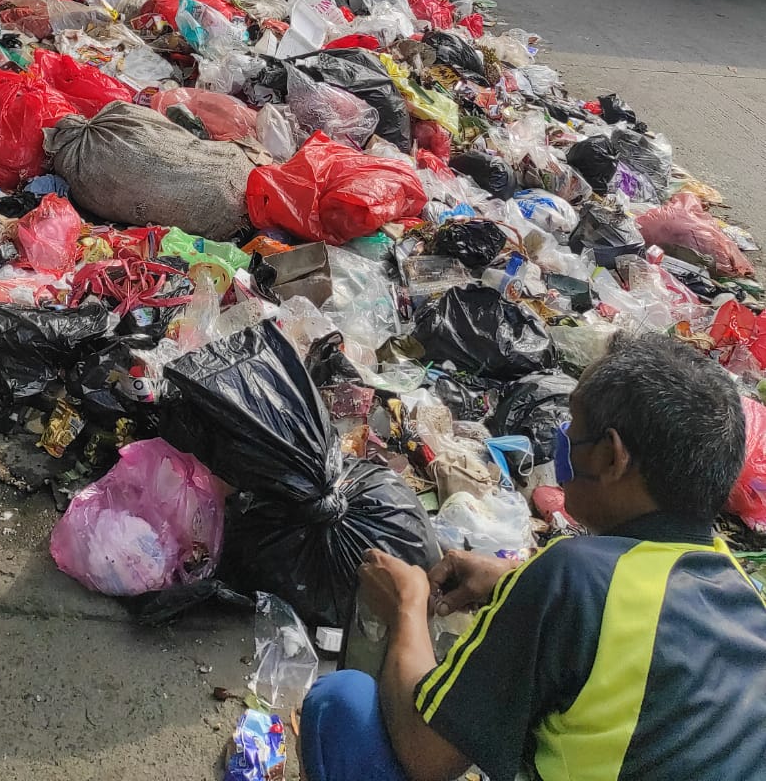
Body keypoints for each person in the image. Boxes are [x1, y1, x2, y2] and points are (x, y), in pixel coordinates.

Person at [300, 332, 766, 781]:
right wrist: (513, 580)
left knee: (342, 704)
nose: (562, 442)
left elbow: (428, 756)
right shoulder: (742, 595)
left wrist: (407, 605)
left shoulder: (572, 573)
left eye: (573, 431)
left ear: (611, 457)